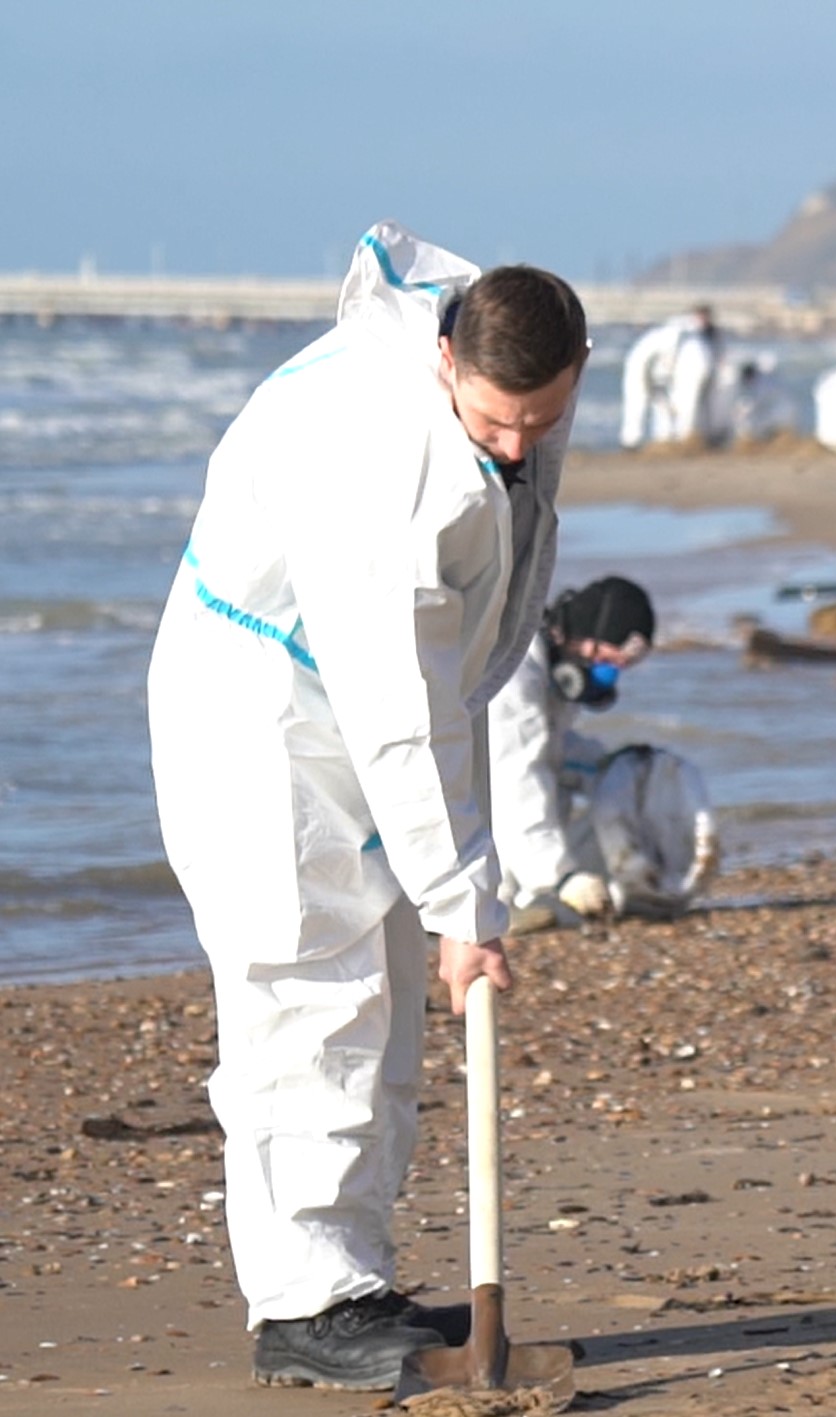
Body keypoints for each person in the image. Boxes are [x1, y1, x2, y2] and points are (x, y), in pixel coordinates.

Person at [145, 221, 587, 1390]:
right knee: (313, 992)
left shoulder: (491, 377)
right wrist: (468, 902)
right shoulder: (383, 467)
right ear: (448, 364)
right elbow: (400, 704)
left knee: (386, 994)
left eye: (541, 421)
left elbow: (444, 682)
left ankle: (355, 1273)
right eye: (495, 421)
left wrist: (455, 895)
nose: (516, 445)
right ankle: (304, 1302)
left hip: (344, 701)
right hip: (263, 721)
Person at [488, 574, 709, 931]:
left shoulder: (547, 670)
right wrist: (560, 878)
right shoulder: (515, 671)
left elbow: (552, 750)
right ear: (587, 637)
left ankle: (503, 901)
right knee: (519, 791)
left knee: (548, 786)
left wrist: (613, 768)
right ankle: (481, 907)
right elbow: (516, 777)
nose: (606, 675)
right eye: (607, 660)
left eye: (620, 667)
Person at [618, 305, 718, 448]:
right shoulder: (682, 329)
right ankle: (632, 441)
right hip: (646, 367)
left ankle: (662, 438)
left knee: (662, 405)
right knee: (638, 403)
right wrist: (667, 369)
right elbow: (663, 352)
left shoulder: (695, 335)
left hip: (661, 369)